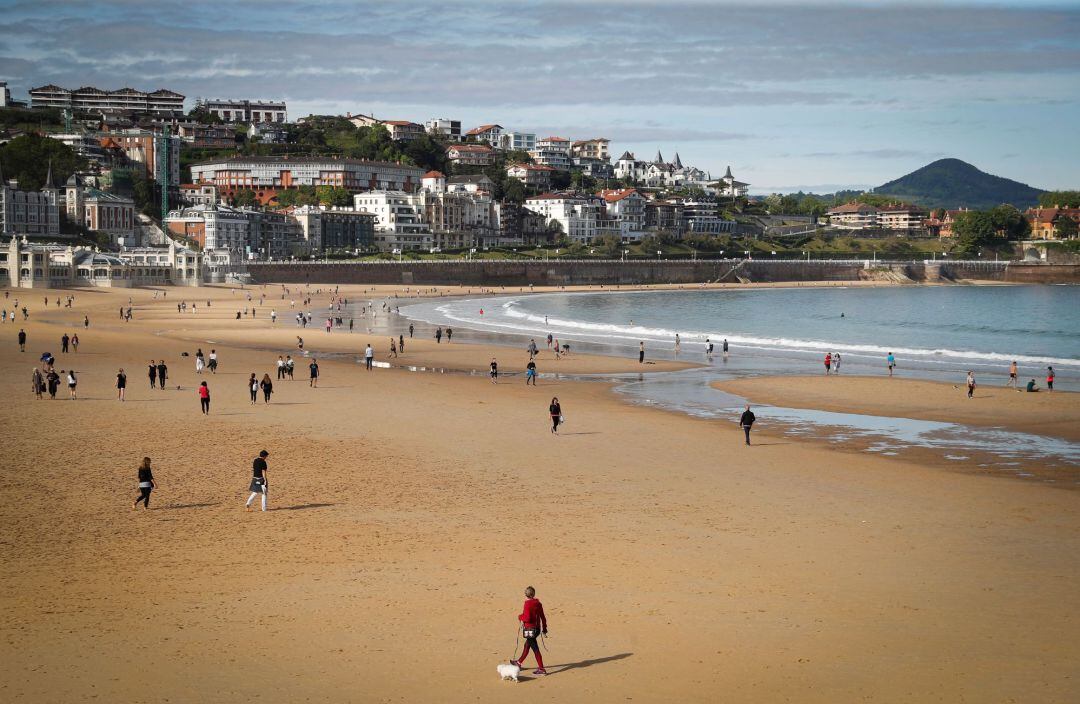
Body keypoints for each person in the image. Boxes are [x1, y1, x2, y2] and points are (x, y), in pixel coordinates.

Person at [511, 586, 548, 675]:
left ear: (526, 595)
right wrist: (544, 628)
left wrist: (520, 617)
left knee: (535, 648)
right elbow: (543, 617)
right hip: (537, 629)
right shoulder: (538, 603)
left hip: (530, 630)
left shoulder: (527, 604)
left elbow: (527, 618)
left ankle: (541, 669)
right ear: (534, 594)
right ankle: (519, 662)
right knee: (527, 645)